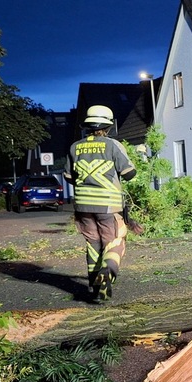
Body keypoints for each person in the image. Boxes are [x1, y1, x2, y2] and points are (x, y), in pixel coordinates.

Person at [64, 105, 137, 303]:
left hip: (82, 207)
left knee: (93, 245)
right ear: (109, 125)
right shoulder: (113, 145)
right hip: (108, 206)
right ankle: (107, 273)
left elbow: (69, 177)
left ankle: (94, 286)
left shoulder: (74, 147)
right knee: (115, 242)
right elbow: (129, 173)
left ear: (87, 125)